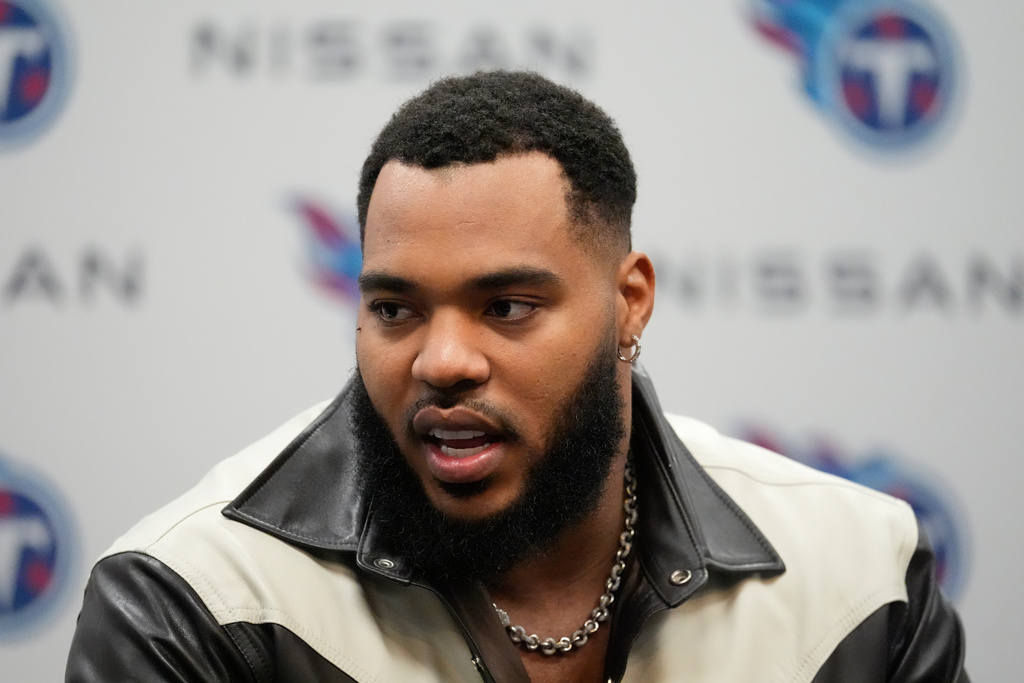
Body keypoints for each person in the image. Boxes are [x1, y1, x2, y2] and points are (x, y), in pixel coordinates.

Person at [65, 71, 968, 683]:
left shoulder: (856, 577)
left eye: (506, 306)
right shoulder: (193, 600)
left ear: (630, 303)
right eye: (395, 308)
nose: (441, 361)